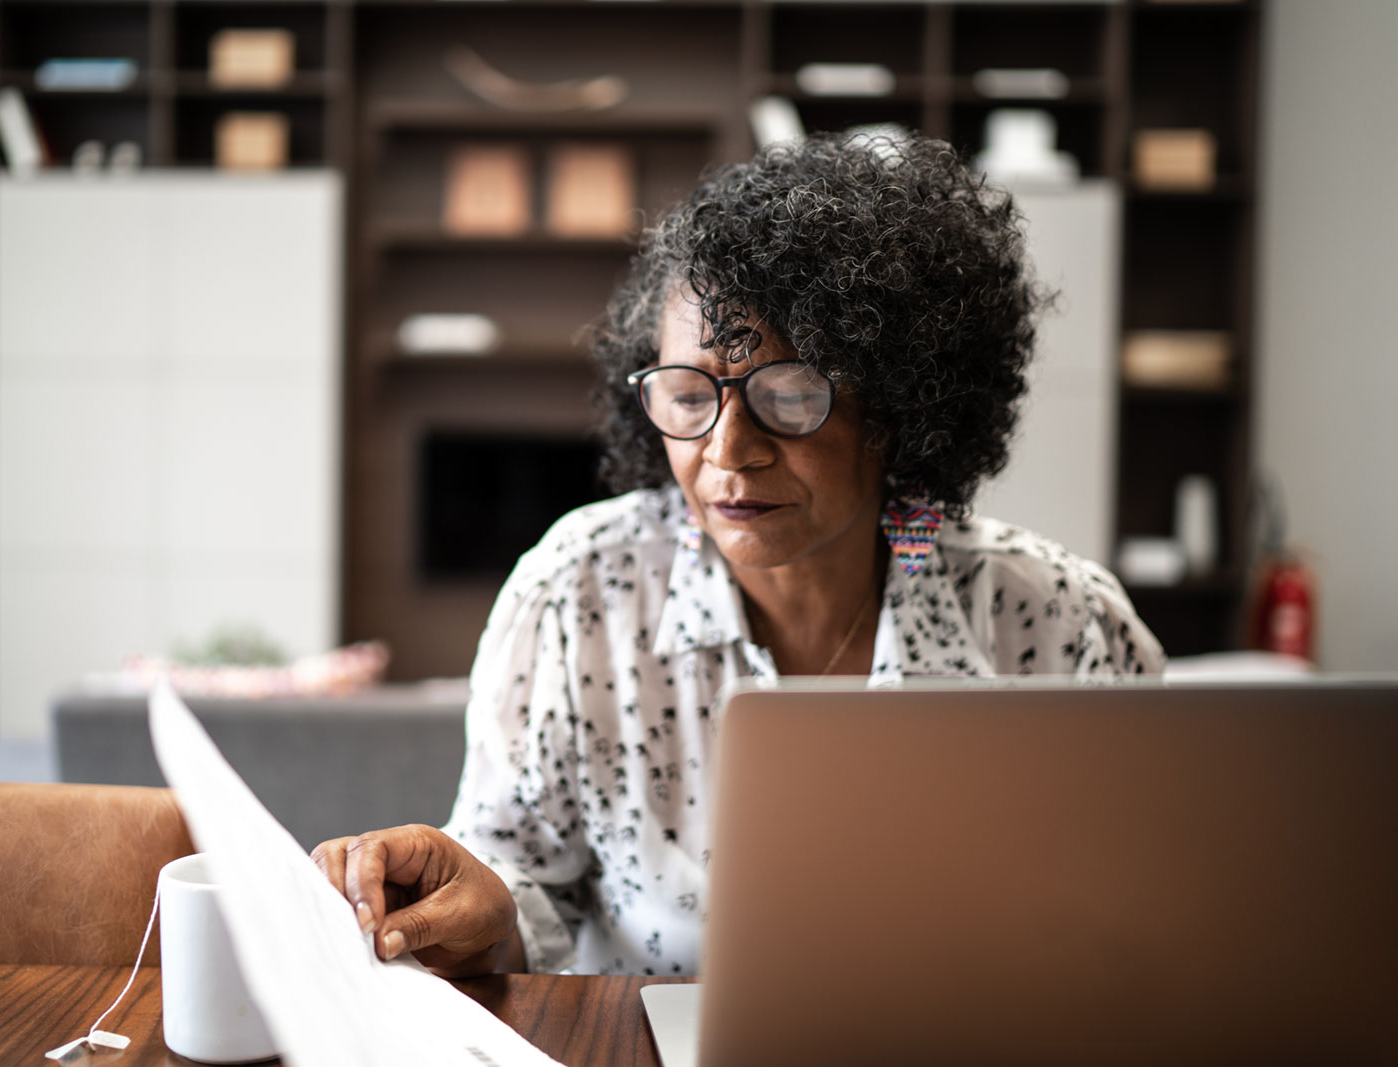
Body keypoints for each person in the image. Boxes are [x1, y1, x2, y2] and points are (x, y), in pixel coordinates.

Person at [312, 132, 1164, 979]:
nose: (727, 450)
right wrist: (477, 911)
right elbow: (519, 899)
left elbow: (1143, 926)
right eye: (688, 395)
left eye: (789, 397)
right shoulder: (579, 592)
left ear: (898, 408)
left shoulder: (1057, 625)